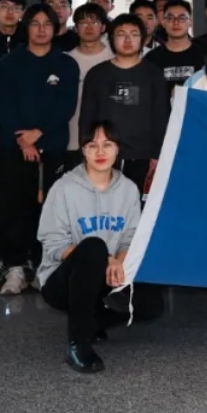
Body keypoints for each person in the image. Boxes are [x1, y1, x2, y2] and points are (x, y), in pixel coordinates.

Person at [37, 120, 164, 373]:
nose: (100, 152)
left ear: (117, 149)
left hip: (106, 274)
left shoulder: (128, 189)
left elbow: (130, 237)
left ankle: (93, 320)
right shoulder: (64, 188)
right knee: (94, 247)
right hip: (62, 280)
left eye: (107, 144)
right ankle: (78, 344)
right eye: (92, 145)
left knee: (151, 305)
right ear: (83, 151)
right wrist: (105, 258)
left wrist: (118, 262)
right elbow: (53, 243)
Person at [0, 3, 80, 295]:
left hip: (52, 146)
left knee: (50, 209)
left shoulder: (66, 63)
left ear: (56, 28)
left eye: (47, 24)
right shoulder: (10, 62)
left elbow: (65, 105)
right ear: (26, 28)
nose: (41, 29)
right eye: (35, 23)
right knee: (14, 206)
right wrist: (24, 140)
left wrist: (38, 135)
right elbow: (3, 104)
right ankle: (15, 267)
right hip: (14, 147)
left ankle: (43, 267)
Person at [80, 14, 169, 194]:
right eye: (121, 34)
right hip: (103, 154)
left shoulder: (154, 74)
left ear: (142, 39)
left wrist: (158, 155)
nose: (128, 40)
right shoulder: (97, 74)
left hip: (143, 156)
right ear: (111, 39)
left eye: (134, 34)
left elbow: (162, 117)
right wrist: (87, 151)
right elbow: (87, 118)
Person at [65, 3, 114, 168]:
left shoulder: (115, 58)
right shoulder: (66, 60)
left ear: (103, 27)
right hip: (73, 138)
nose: (89, 27)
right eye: (83, 22)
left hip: (108, 138)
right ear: (75, 28)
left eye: (94, 22)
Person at [145, 0, 207, 95]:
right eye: (170, 18)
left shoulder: (205, 56)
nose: (176, 22)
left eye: (182, 18)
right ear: (163, 22)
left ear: (190, 22)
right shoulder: (151, 59)